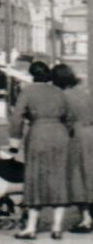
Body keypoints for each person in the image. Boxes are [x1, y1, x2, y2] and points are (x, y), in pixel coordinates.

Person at [9, 61, 71, 240]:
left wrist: (15, 142)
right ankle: (57, 228)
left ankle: (30, 228)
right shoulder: (59, 92)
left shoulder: (28, 91)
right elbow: (68, 116)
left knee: (35, 178)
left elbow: (16, 118)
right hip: (60, 135)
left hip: (38, 135)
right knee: (59, 178)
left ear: (32, 75)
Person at [53, 64, 93, 234]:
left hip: (78, 138)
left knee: (78, 178)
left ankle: (86, 219)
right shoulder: (84, 92)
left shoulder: (64, 96)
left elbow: (65, 120)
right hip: (91, 133)